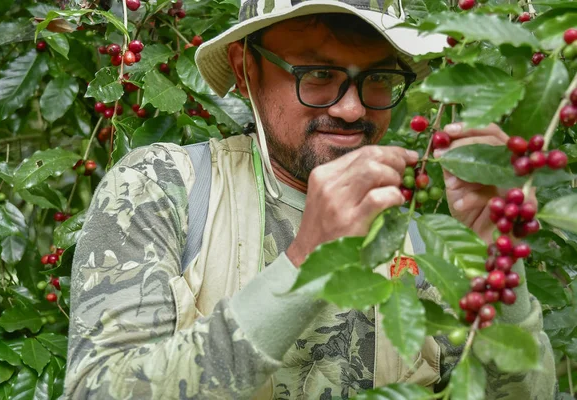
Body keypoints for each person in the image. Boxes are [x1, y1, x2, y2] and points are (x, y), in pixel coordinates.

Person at [63, 1, 557, 399]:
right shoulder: (164, 188)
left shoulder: (420, 238)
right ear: (246, 67)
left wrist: (495, 265)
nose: (351, 107)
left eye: (379, 79)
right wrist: (303, 264)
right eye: (318, 74)